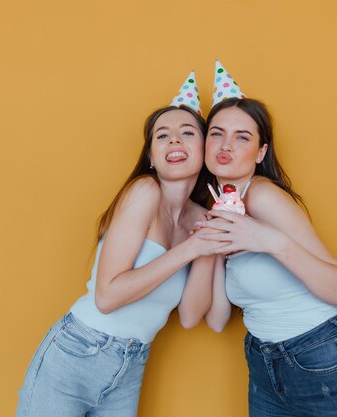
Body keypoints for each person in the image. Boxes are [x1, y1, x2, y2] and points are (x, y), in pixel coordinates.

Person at [16, 71, 224, 417]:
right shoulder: (144, 192)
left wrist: (208, 248)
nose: (175, 141)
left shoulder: (202, 217)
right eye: (163, 136)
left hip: (131, 364)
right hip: (76, 352)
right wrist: (189, 249)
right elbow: (108, 296)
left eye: (188, 133)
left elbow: (190, 317)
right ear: (152, 156)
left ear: (204, 150)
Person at [199, 60, 337, 417]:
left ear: (260, 152)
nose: (226, 145)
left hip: (318, 356)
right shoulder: (219, 205)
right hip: (262, 361)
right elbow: (218, 320)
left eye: (243, 137)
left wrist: (267, 239)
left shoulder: (264, 197)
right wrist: (207, 248)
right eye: (217, 133)